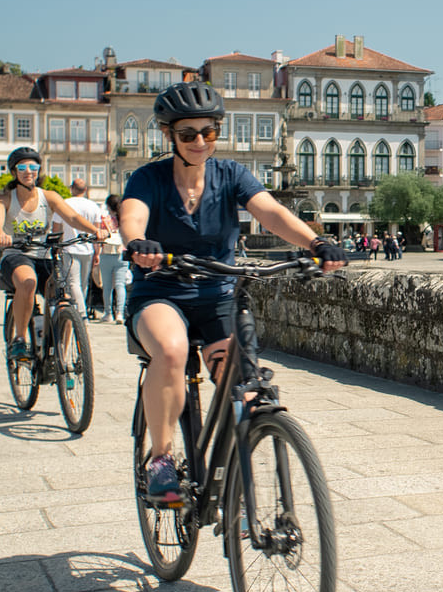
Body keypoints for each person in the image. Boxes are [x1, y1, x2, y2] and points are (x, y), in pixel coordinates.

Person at [119, 81, 346, 503]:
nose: (200, 142)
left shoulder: (232, 175)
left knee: (241, 378)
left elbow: (271, 212)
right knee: (171, 351)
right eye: (188, 134)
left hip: (218, 294)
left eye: (209, 132)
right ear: (170, 135)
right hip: (162, 291)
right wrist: (138, 242)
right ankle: (162, 458)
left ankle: (237, 476)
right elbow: (134, 216)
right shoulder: (148, 178)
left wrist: (315, 243)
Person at [0, 149, 101, 360]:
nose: (28, 172)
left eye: (33, 167)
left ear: (39, 170)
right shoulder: (3, 200)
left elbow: (73, 218)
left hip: (44, 256)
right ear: (14, 172)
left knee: (65, 301)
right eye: (22, 168)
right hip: (16, 254)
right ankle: (20, 340)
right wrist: (1, 234)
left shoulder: (48, 197)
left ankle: (60, 356)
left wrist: (95, 231)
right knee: (28, 282)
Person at [59, 177, 103, 311]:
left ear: (71, 188)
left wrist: (57, 248)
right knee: (83, 284)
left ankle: (80, 313)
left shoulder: (64, 204)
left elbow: (56, 229)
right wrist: (97, 252)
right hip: (88, 249)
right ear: (85, 190)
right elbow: (97, 232)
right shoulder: (93, 206)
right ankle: (80, 312)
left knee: (73, 283)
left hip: (69, 248)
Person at [97, 194, 130, 323]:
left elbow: (99, 238)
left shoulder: (105, 220)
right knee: (120, 285)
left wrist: (96, 254)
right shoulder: (124, 219)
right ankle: (120, 314)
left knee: (107, 286)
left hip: (106, 253)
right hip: (121, 254)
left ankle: (108, 313)